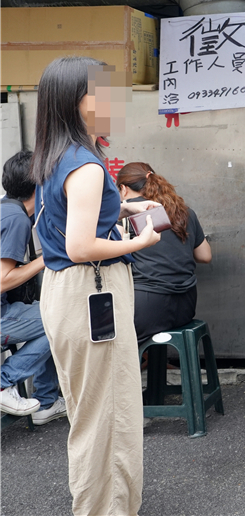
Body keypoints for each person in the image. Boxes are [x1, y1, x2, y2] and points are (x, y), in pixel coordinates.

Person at [31, 56, 162, 516]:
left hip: (66, 291)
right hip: (91, 290)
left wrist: (122, 210)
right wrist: (139, 241)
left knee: (92, 412)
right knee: (108, 416)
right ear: (77, 102)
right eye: (102, 91)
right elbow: (81, 245)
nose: (113, 100)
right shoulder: (85, 165)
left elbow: (69, 218)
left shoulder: (57, 154)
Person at [0, 150, 66, 424]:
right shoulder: (15, 218)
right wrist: (47, 258)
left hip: (7, 309)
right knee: (63, 317)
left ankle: (46, 402)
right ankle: (4, 382)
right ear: (40, 186)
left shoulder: (6, 208)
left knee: (50, 311)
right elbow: (3, 280)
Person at [116, 162, 211, 343]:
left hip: (146, 309)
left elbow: (111, 250)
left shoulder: (124, 214)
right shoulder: (183, 211)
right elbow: (205, 256)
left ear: (124, 189)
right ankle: (153, 358)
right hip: (185, 307)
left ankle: (143, 357)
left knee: (107, 335)